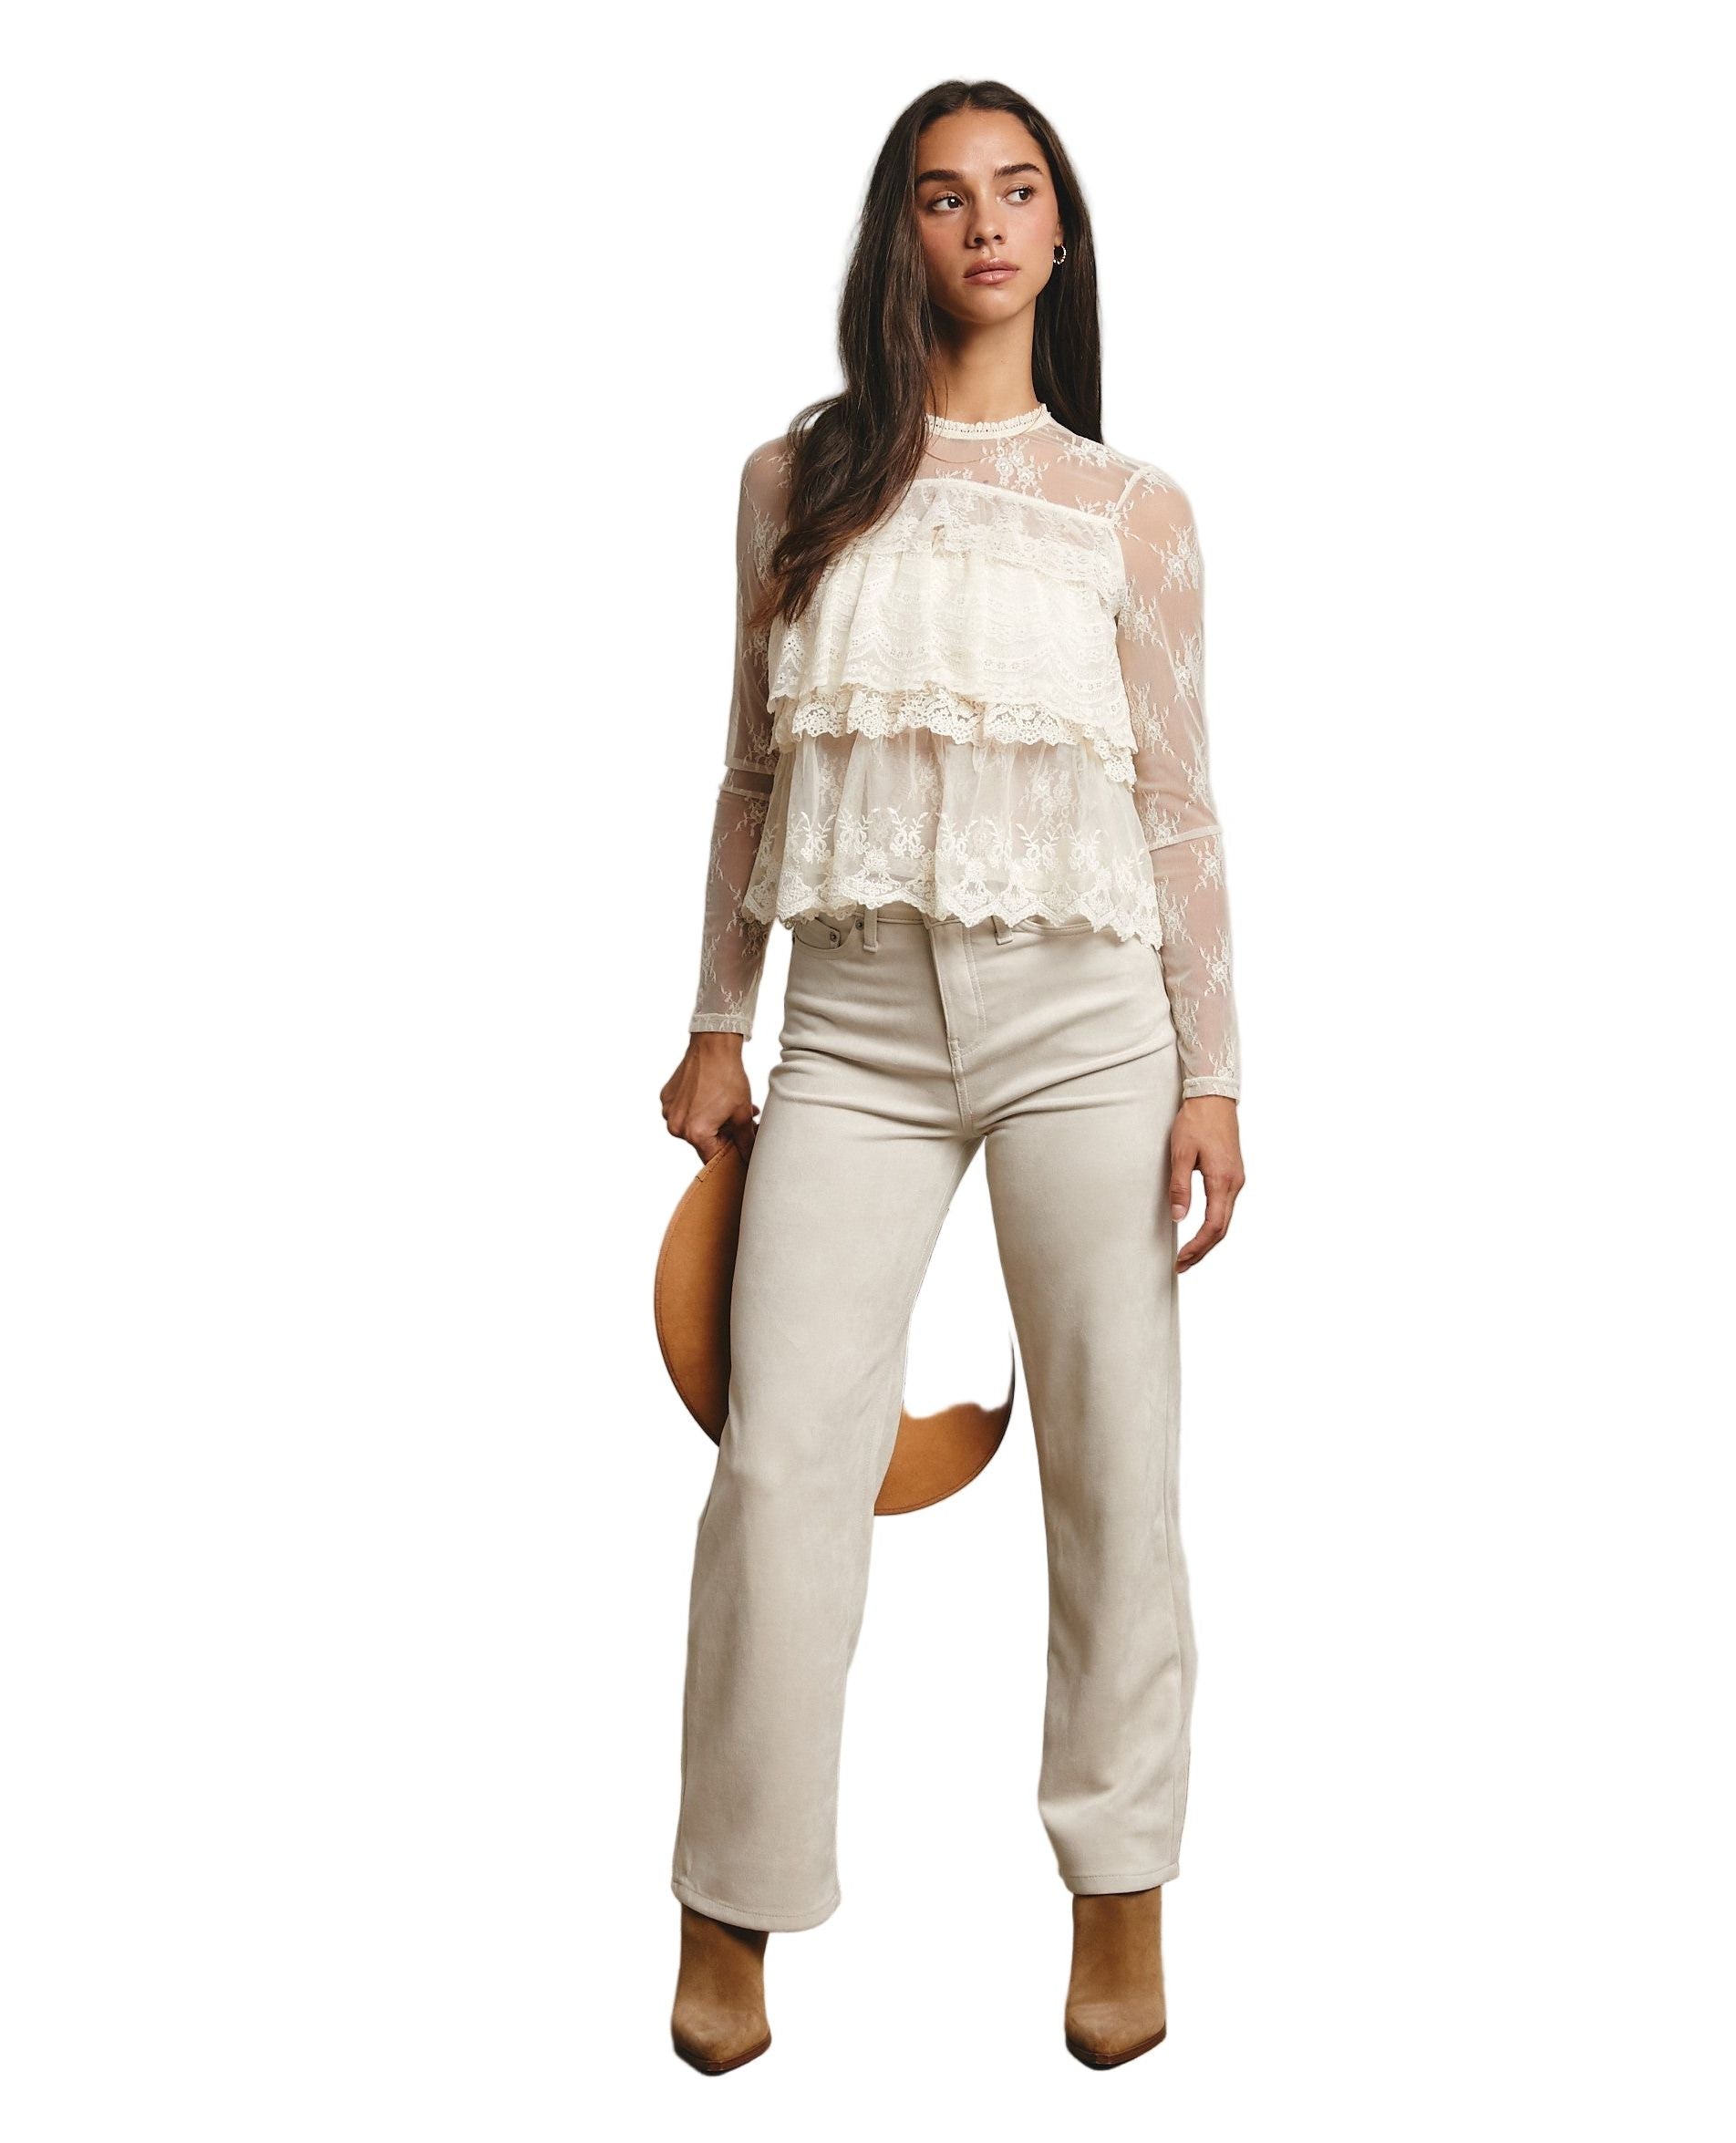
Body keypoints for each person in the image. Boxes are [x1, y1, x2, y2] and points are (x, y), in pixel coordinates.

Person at [657, 78, 1245, 2074]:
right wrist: (717, 1017)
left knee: (1114, 1461)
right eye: (939, 195)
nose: (982, 224)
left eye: (1015, 192)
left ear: (1058, 236)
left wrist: (1214, 1073)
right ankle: (728, 1903)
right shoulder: (794, 482)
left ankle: (1118, 1891)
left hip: (1088, 1016)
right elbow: (750, 774)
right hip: (857, 1025)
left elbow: (1178, 803)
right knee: (779, 1462)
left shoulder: (1130, 509)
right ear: (895, 233)